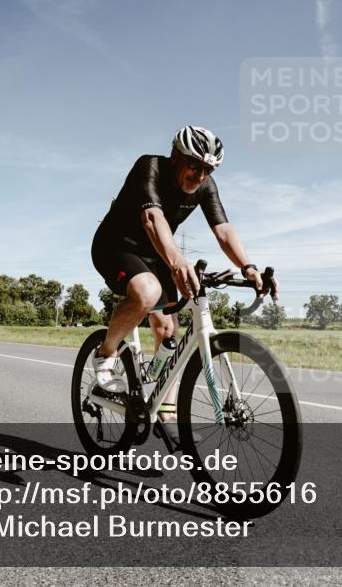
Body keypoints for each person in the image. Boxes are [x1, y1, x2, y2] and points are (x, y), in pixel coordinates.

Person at [90, 125, 278, 448]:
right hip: (115, 246)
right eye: (195, 165)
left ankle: (165, 407)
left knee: (168, 330)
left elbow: (223, 230)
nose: (200, 175)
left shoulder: (205, 186)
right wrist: (177, 260)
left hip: (155, 254)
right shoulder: (149, 167)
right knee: (147, 293)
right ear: (176, 156)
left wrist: (247, 266)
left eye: (208, 169)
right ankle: (105, 356)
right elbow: (152, 219)